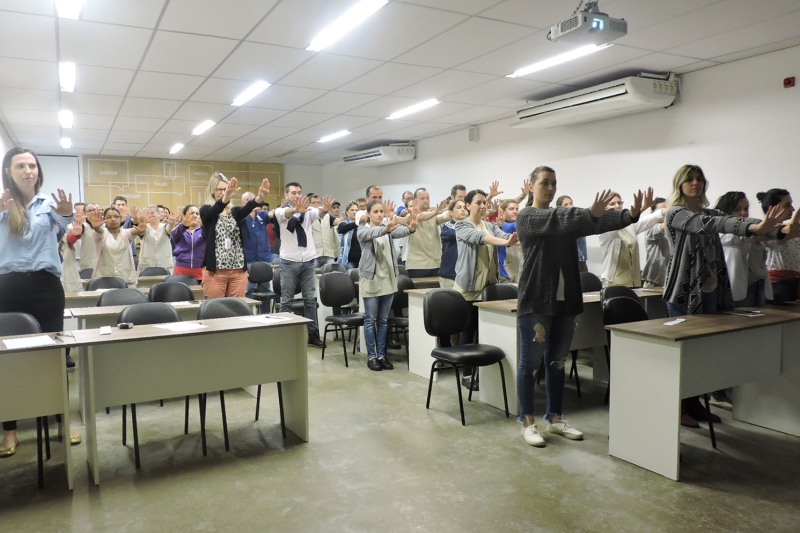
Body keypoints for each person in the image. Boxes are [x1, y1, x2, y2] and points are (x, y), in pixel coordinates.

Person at [515, 165, 648, 447]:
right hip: (537, 299)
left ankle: (555, 417)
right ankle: (527, 421)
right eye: (544, 183)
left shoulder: (565, 220)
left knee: (557, 362)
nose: (550, 188)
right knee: (530, 364)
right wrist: (588, 212)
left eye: (554, 183)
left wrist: (630, 215)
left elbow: (596, 223)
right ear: (530, 186)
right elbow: (561, 217)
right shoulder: (527, 216)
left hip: (566, 301)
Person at [662, 164, 793, 427]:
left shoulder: (708, 211)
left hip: (711, 289)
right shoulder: (676, 213)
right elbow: (714, 224)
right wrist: (757, 228)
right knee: (685, 354)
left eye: (699, 178)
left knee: (702, 354)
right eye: (689, 179)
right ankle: (679, 409)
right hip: (685, 293)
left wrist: (779, 230)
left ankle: (694, 404)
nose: (695, 183)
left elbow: (739, 222)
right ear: (680, 184)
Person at [1, 147, 81, 456]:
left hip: (47, 287)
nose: (27, 171)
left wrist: (64, 214)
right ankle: (9, 429)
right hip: (7, 286)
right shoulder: (1, 204)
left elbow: (63, 229)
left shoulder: (49, 203)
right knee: (8, 359)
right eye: (20, 165)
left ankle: (61, 420)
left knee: (54, 355)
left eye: (32, 165)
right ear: (8, 171)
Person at [454, 189, 518, 390]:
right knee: (469, 330)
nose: (482, 206)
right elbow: (482, 238)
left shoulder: (489, 225)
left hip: (488, 286)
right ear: (468, 205)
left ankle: (482, 371)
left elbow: (505, 235)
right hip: (469, 287)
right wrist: (507, 242)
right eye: (478, 203)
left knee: (484, 331)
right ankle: (466, 373)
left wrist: (517, 239)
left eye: (484, 203)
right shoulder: (462, 225)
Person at [357, 200, 417, 370]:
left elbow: (401, 232)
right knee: (370, 320)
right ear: (368, 213)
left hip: (388, 279)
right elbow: (373, 234)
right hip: (371, 280)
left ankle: (382, 355)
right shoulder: (363, 230)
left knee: (383, 320)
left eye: (381, 211)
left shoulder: (387, 228)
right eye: (375, 211)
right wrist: (386, 228)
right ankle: (372, 356)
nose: (379, 214)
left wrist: (412, 228)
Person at [273, 182, 333, 347]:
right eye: (293, 193)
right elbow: (286, 213)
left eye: (299, 192)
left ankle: (312, 334)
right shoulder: (280, 211)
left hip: (308, 261)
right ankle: (284, 335)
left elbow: (319, 213)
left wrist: (325, 209)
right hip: (289, 262)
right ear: (286, 195)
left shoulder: (308, 211)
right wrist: (295, 210)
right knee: (287, 301)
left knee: (310, 300)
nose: (297, 195)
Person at [200, 173, 270, 299]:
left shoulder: (235, 211)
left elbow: (248, 207)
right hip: (215, 272)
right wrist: (225, 197)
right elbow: (215, 209)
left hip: (237, 270)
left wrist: (259, 198)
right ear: (212, 190)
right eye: (219, 189)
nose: (222, 192)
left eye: (225, 189)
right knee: (215, 312)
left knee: (238, 311)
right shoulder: (206, 210)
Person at [715, 192, 774, 307]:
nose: (743, 213)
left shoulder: (753, 227)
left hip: (759, 284)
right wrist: (765, 230)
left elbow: (773, 243)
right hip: (737, 288)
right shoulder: (722, 231)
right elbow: (743, 237)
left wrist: (781, 231)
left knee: (764, 322)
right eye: (737, 209)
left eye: (746, 208)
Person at [599, 191, 664, 287]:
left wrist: (666, 210)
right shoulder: (604, 226)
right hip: (614, 284)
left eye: (619, 203)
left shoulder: (630, 226)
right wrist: (643, 208)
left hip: (633, 281)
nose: (617, 206)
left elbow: (650, 218)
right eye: (612, 204)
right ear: (605, 208)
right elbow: (623, 221)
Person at [88, 206, 146, 287]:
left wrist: (140, 230)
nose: (113, 219)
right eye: (109, 217)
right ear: (104, 220)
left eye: (116, 216)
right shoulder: (101, 233)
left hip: (126, 279)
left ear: (120, 218)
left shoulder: (126, 233)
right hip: (104, 280)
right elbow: (99, 231)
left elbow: (133, 231)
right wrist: (96, 227)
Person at [760, 188, 800, 303]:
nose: (792, 209)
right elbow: (782, 233)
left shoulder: (793, 229)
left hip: (794, 283)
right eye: (787, 205)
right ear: (772, 209)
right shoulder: (764, 232)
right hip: (778, 286)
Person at [404, 188, 449, 278]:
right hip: (418, 266)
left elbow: (445, 217)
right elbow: (421, 216)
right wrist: (435, 212)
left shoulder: (434, 216)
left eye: (427, 198)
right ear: (415, 201)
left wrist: (455, 210)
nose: (426, 201)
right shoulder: (411, 216)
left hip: (435, 264)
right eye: (422, 198)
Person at [240, 191, 273, 300]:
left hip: (264, 258)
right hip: (249, 259)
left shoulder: (262, 215)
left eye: (252, 200)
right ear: (243, 203)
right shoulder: (241, 217)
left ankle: (266, 314)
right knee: (248, 290)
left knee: (266, 289)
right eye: (247, 200)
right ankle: (249, 314)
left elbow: (271, 214)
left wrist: (282, 208)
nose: (250, 203)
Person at [137, 205, 177, 274]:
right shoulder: (144, 228)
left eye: (152, 213)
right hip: (146, 267)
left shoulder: (164, 226)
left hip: (166, 266)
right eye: (147, 213)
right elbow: (141, 232)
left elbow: (169, 230)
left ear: (159, 214)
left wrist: (172, 224)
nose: (150, 215)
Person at [171, 205, 205, 281]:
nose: (195, 216)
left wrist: (204, 226)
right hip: (181, 269)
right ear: (184, 215)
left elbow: (209, 237)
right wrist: (184, 225)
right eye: (192, 213)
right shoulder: (179, 229)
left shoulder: (203, 230)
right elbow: (174, 235)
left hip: (200, 269)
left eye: (197, 214)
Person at [641, 198, 670, 287]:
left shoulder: (671, 229)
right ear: (652, 213)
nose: (664, 214)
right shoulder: (650, 227)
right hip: (653, 281)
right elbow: (661, 228)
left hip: (668, 281)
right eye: (661, 211)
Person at [439, 199, 467, 290]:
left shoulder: (469, 226)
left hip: (465, 275)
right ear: (451, 212)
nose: (463, 210)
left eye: (464, 208)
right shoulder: (447, 226)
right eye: (459, 207)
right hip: (450, 275)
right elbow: (457, 234)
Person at [556, 196, 588, 272]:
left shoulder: (579, 221)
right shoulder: (559, 225)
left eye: (571, 203)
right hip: (567, 264)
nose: (570, 206)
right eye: (566, 204)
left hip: (581, 262)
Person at [496, 199, 523, 282]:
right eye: (511, 209)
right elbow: (517, 225)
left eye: (517, 209)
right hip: (506, 274)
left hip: (516, 270)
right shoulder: (504, 226)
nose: (515, 212)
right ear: (502, 212)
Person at [113, 195, 139, 264]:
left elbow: (135, 223)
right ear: (114, 206)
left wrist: (135, 218)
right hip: (114, 253)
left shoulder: (129, 218)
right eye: (118, 205)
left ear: (126, 206)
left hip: (129, 252)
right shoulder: (110, 219)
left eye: (123, 205)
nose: (121, 207)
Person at [337, 201, 362, 269]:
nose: (354, 212)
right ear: (347, 212)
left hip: (362, 260)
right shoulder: (343, 224)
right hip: (348, 261)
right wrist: (357, 222)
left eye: (356, 210)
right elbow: (342, 229)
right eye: (352, 210)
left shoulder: (363, 226)